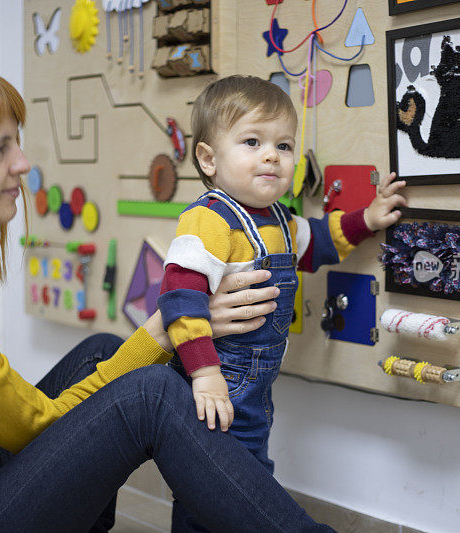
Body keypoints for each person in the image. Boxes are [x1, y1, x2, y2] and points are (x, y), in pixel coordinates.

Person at [0, 56, 336, 533]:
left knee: (103, 352)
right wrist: (165, 327)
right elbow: (32, 428)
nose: (22, 163)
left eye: (17, 143)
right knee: (149, 392)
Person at [158, 75, 407, 531]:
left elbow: (318, 244)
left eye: (284, 145)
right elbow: (180, 299)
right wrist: (206, 375)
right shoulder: (207, 219)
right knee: (218, 493)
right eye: (252, 142)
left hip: (253, 394)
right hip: (215, 390)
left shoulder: (278, 219)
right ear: (209, 159)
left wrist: (368, 219)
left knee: (234, 488)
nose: (272, 155)